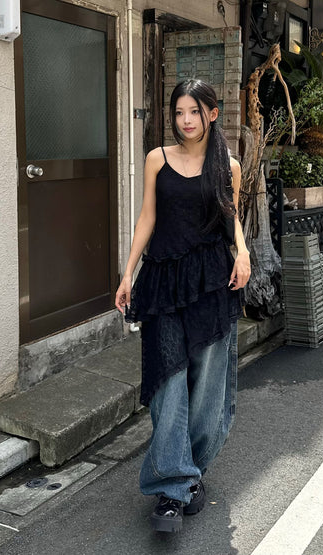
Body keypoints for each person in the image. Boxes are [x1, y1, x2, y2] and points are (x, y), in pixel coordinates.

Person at [115, 79, 251, 533]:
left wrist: (243, 252)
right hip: (163, 282)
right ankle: (173, 489)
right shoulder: (158, 158)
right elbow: (147, 217)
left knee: (208, 386)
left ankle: (190, 472)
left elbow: (231, 215)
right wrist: (127, 273)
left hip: (212, 282)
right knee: (169, 381)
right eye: (179, 112)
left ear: (212, 113)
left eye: (194, 111)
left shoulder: (228, 166)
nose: (186, 120)